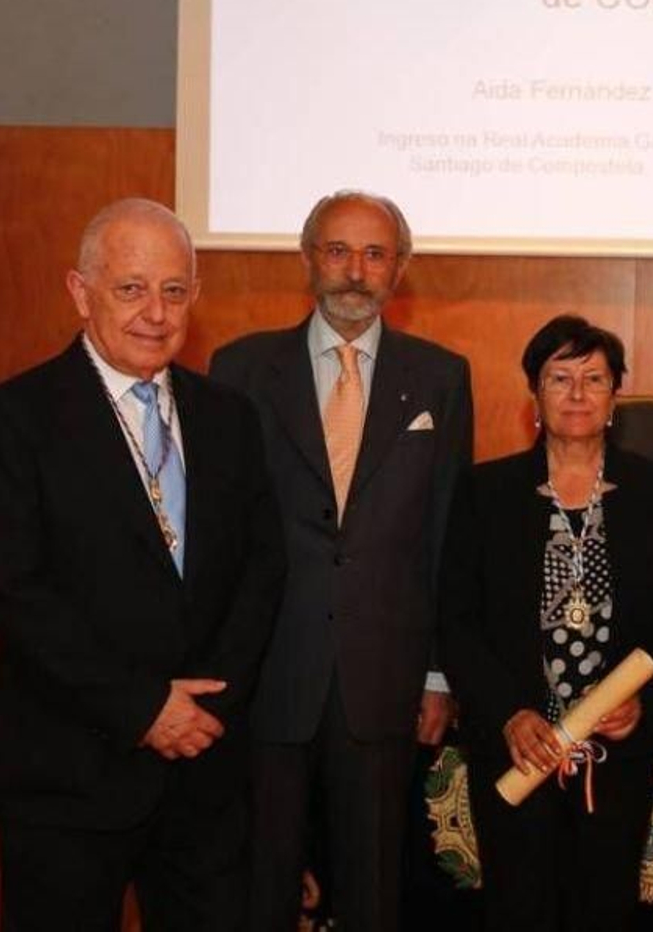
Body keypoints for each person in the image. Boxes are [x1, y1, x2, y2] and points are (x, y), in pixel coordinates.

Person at [0, 199, 285, 930]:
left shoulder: (229, 418)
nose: (155, 313)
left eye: (174, 290)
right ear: (80, 292)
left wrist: (204, 710)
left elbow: (263, 570)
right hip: (69, 775)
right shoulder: (13, 420)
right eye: (130, 288)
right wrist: (143, 707)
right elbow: (16, 594)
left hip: (205, 771)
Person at [208, 190, 473, 932]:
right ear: (308, 259)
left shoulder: (441, 377)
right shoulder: (240, 368)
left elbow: (446, 531)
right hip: (268, 676)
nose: (355, 271)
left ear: (400, 268)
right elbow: (222, 534)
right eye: (337, 250)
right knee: (259, 888)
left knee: (374, 893)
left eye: (375, 253)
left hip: (385, 681)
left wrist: (437, 672)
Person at [439, 315, 653, 932]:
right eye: (560, 378)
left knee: (602, 909)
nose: (578, 394)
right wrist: (508, 711)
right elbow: (456, 620)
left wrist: (646, 700)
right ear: (535, 393)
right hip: (518, 750)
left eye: (594, 378)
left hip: (616, 754)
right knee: (518, 908)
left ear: (615, 396)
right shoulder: (484, 491)